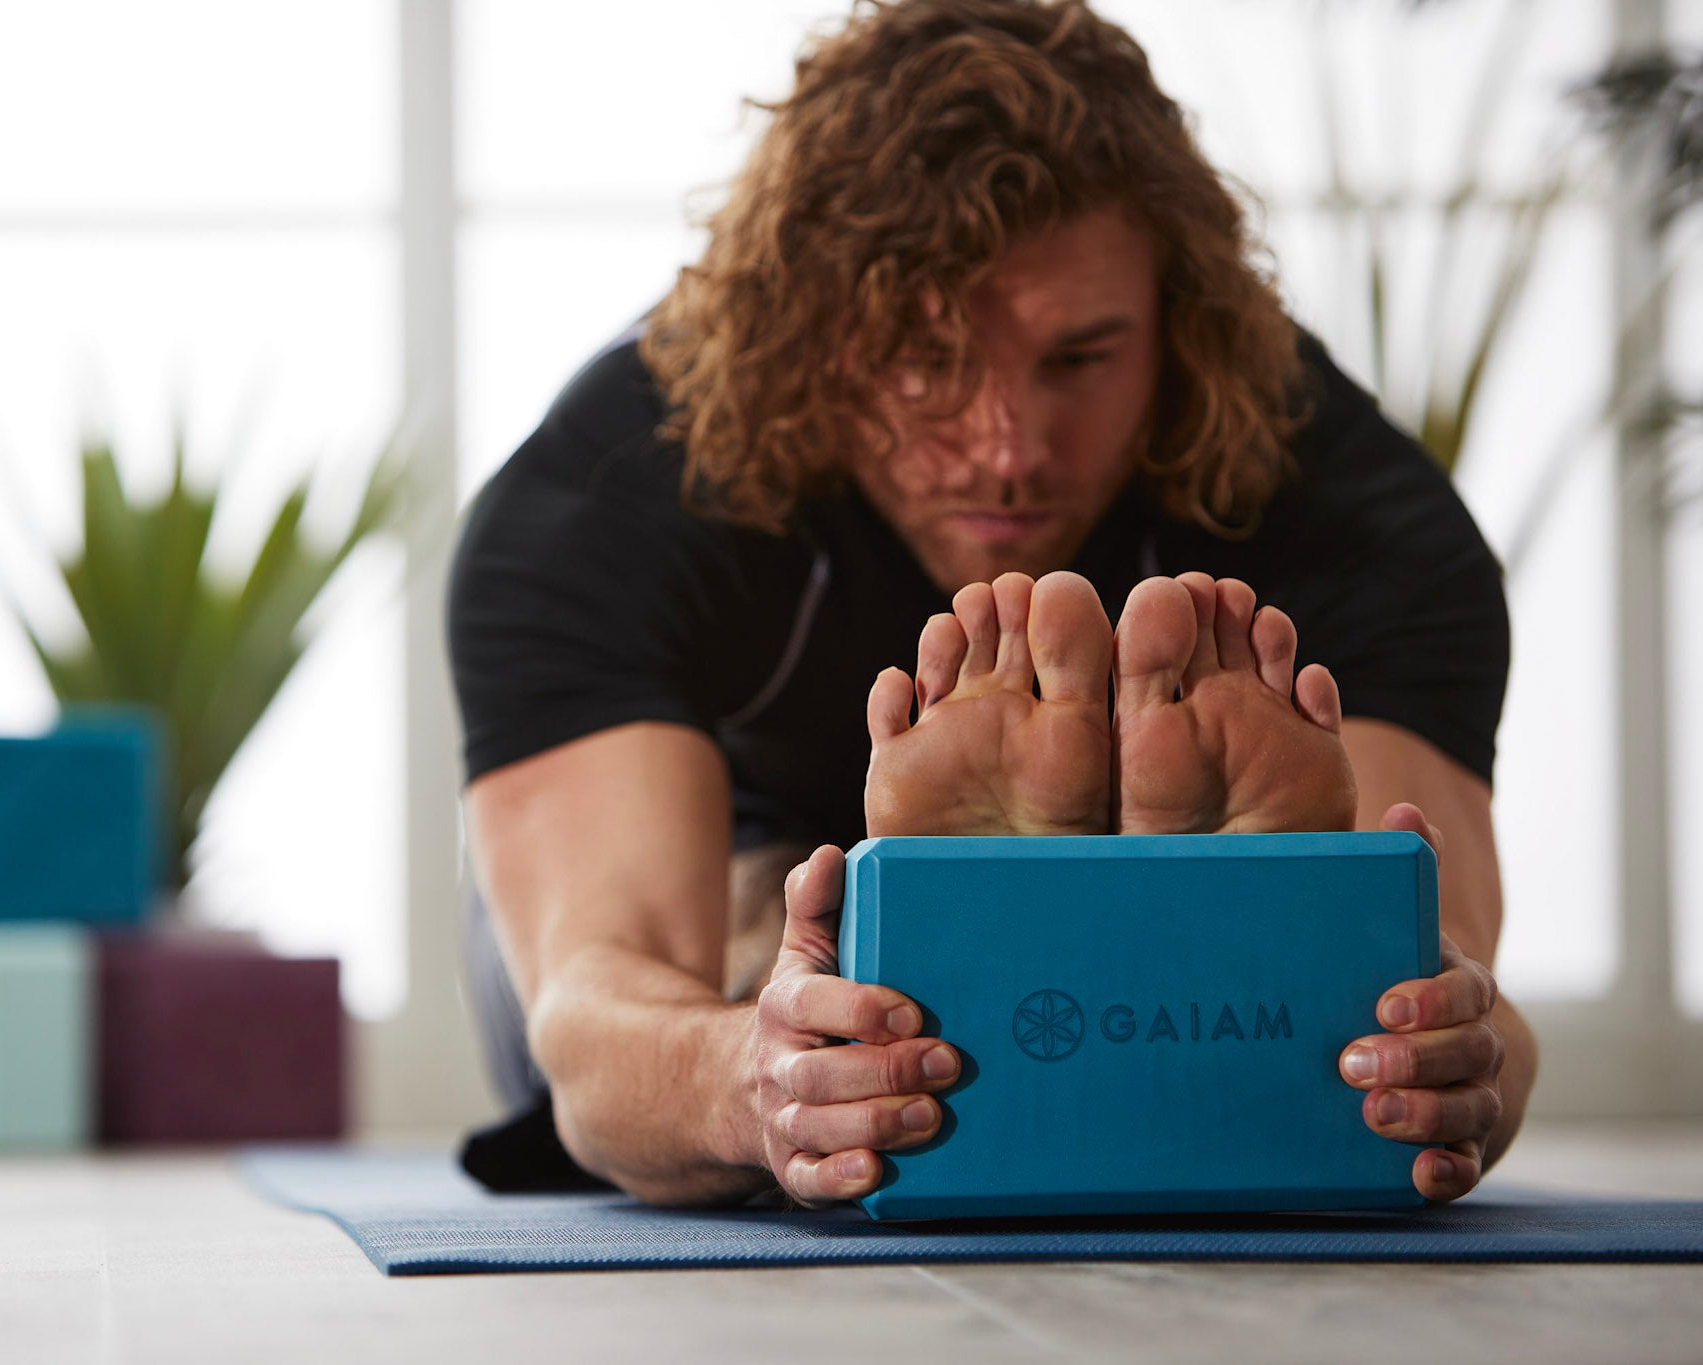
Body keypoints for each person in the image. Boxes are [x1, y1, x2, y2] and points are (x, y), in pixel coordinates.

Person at [448, 0, 1532, 1208]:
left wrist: (1438, 1050)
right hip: (716, 862)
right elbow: (592, 1013)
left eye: (1078, 359)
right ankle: (910, 952)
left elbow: (1467, 994)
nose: (1008, 449)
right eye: (926, 361)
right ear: (805, 336)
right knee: (756, 921)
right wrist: (744, 1076)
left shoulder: (1350, 511)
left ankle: (1091, 927)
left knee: (1362, 947)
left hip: (1102, 907)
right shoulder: (611, 496)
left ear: (1180, 327)